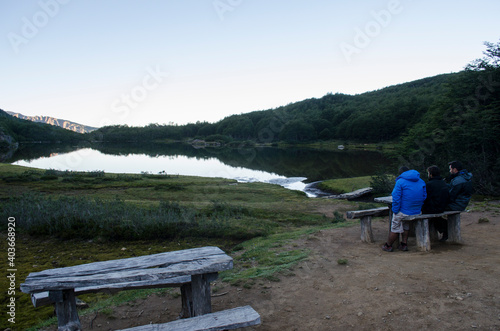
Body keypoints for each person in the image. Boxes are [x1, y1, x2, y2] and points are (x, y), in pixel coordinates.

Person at [382, 166, 427, 252]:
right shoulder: (421, 181)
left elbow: (396, 198)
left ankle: (388, 245)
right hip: (417, 211)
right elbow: (424, 196)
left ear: (401, 173)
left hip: (403, 211)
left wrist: (395, 210)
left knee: (395, 226)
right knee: (406, 225)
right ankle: (404, 244)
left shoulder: (400, 182)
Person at [422, 165, 450, 241]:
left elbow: (425, 198)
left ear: (431, 174)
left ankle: (422, 234)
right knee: (435, 218)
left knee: (423, 214)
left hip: (433, 208)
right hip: (443, 207)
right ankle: (444, 229)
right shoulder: (443, 183)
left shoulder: (429, 185)